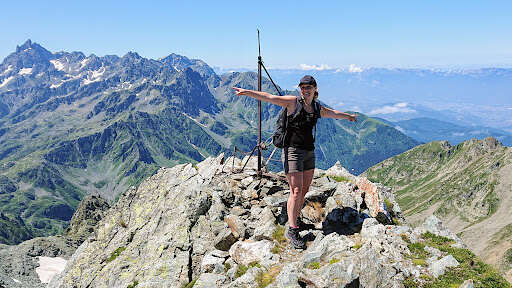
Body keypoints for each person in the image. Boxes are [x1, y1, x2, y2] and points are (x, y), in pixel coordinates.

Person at [232, 75, 357, 249]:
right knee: (296, 190)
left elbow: (332, 113)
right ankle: (292, 230)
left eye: (308, 87)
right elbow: (270, 97)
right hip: (292, 151)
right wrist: (247, 92)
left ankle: (295, 220)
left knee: (304, 190)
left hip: (308, 152)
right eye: (302, 87)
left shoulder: (315, 107)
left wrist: (348, 116)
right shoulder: (293, 102)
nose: (305, 90)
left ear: (315, 89)